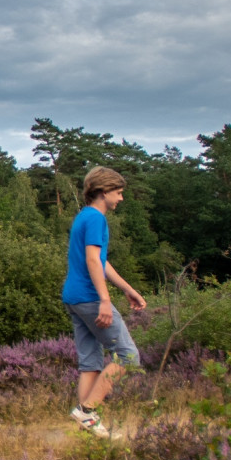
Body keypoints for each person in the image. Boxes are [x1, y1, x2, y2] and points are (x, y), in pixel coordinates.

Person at [63, 166, 147, 438]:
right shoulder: (97, 219)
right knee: (129, 355)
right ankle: (88, 411)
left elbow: (101, 261)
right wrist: (104, 299)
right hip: (89, 296)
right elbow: (91, 261)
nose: (121, 199)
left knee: (90, 363)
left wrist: (128, 289)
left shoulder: (83, 217)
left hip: (74, 296)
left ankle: (84, 424)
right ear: (102, 192)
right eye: (118, 193)